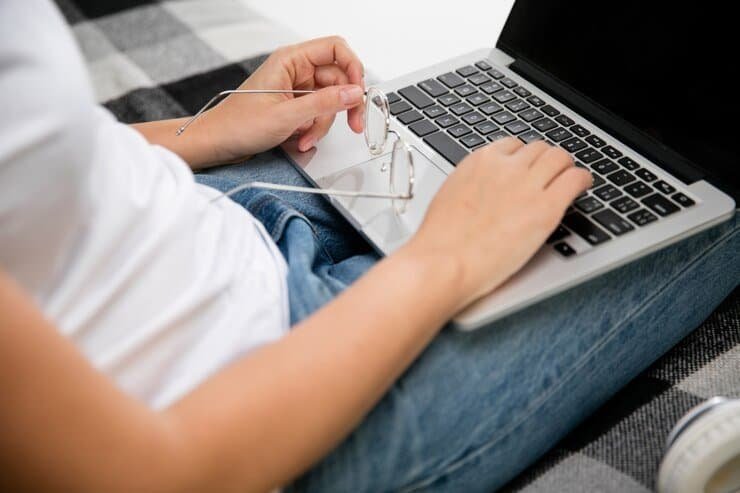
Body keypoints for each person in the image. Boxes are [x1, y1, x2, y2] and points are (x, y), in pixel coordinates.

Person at [0, 1, 737, 492]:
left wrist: (200, 134)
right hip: (256, 418)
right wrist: (446, 256)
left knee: (481, 125)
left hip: (199, 218)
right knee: (713, 198)